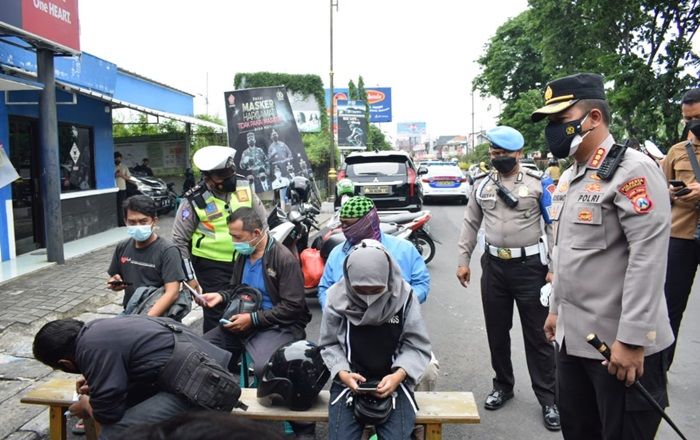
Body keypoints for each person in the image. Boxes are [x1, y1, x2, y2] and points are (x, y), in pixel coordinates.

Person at [534, 72, 674, 440]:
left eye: (559, 121)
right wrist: (555, 311)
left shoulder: (633, 170)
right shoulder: (569, 177)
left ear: (593, 118)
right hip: (574, 341)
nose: (552, 131)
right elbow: (567, 253)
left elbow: (648, 257)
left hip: (620, 348)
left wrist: (632, 339)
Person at [455, 126, 559, 431]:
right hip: (494, 268)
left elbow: (553, 226)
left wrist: (553, 266)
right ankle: (503, 385)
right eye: (494, 153)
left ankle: (549, 398)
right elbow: (470, 223)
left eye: (504, 154)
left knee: (538, 336)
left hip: (531, 268)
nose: (498, 158)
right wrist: (463, 260)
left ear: (519, 154)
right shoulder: (481, 185)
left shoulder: (540, 184)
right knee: (496, 332)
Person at [199, 207, 313, 439]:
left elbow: (293, 307)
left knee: (269, 367)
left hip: (277, 325)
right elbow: (235, 289)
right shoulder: (243, 255)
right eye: (231, 236)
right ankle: (219, 413)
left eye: (237, 237)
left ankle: (302, 427)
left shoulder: (283, 258)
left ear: (257, 233)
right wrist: (220, 296)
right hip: (242, 319)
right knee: (200, 351)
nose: (233, 242)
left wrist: (253, 319)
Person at [32, 316, 235, 440]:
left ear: (65, 363)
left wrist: (85, 405)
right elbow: (136, 363)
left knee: (117, 431)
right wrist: (96, 379)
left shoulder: (90, 347)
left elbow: (107, 413)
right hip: (200, 371)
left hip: (205, 388)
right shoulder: (99, 329)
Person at [319, 240, 431, 440]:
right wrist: (343, 373)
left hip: (394, 381)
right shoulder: (335, 300)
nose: (369, 299)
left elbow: (416, 345)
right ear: (349, 280)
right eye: (361, 290)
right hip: (349, 381)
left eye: (376, 290)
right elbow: (329, 344)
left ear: (388, 278)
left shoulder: (405, 298)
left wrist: (398, 375)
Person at [172, 145, 267, 332]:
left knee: (249, 305)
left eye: (230, 171)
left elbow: (263, 223)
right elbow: (179, 240)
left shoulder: (244, 187)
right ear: (208, 177)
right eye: (222, 175)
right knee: (217, 315)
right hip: (212, 267)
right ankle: (215, 356)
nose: (229, 177)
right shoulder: (194, 200)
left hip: (246, 260)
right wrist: (190, 278)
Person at [661, 87, 700, 370]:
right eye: (688, 119)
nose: (692, 123)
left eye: (697, 117)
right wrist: (671, 193)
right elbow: (658, 192)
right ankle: (659, 373)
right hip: (681, 236)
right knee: (670, 308)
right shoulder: (676, 152)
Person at [108, 195, 186, 315]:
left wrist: (145, 319)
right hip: (130, 311)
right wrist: (115, 283)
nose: (138, 226)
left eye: (143, 221)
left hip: (158, 316)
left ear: (154, 221)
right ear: (125, 221)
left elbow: (172, 292)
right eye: (132, 222)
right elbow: (115, 277)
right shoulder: (122, 247)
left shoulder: (168, 250)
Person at [114, 151, 131, 227]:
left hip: (122, 188)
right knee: (115, 206)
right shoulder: (111, 166)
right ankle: (117, 222)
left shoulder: (124, 167)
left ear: (121, 159)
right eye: (116, 159)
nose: (117, 160)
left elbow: (128, 178)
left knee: (122, 206)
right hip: (113, 189)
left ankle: (122, 222)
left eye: (119, 159)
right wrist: (115, 175)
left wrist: (121, 175)